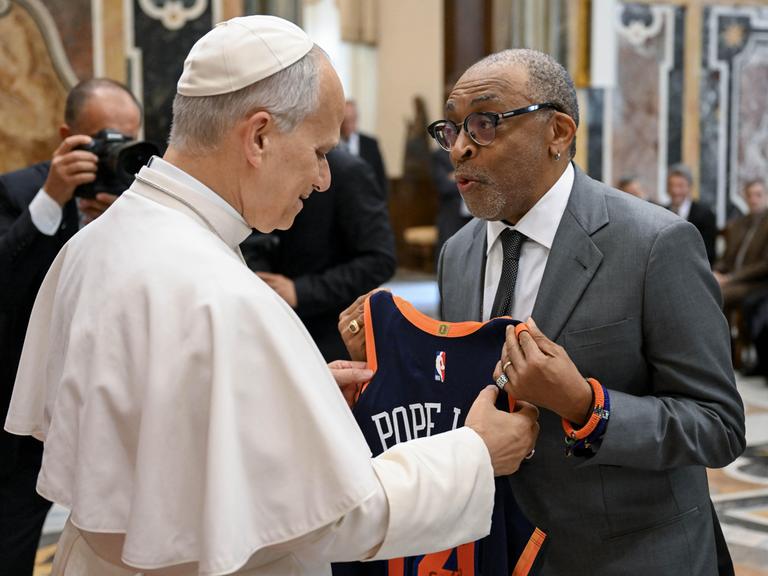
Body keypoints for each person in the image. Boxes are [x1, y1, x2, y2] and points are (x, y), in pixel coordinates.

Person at [4, 17, 540, 576]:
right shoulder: (227, 297)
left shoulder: (96, 241)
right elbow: (336, 516)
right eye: (318, 151)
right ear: (259, 136)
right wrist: (476, 453)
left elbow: (162, 428)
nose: (324, 178)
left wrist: (292, 391)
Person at [342, 48, 745, 575]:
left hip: (624, 555)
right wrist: (391, 367)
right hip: (496, 551)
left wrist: (586, 405)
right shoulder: (459, 254)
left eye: (485, 123)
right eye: (452, 129)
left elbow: (718, 425)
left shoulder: (655, 244)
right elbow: (465, 396)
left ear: (557, 131)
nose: (460, 148)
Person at [0, 78, 141, 576]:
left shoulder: (141, 197)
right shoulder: (19, 190)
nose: (116, 153)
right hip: (26, 419)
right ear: (67, 133)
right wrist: (52, 198)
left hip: (112, 407)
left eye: (129, 138)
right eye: (105, 139)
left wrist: (125, 224)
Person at [244, 147, 396, 361]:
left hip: (330, 335)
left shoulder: (349, 172)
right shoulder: (264, 165)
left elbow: (380, 260)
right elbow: (256, 238)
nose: (322, 179)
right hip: (270, 327)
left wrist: (301, 291)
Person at [714, 179, 768, 374]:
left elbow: (764, 265)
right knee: (707, 287)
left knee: (716, 293)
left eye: (758, 195)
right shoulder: (738, 224)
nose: (754, 200)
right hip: (732, 280)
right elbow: (726, 258)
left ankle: (725, 354)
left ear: (766, 196)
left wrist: (731, 278)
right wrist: (716, 271)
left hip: (757, 283)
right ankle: (721, 352)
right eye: (750, 195)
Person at [665, 163, 717, 265]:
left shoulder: (705, 214)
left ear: (689, 187)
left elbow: (709, 252)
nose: (675, 191)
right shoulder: (662, 211)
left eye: (680, 186)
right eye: (671, 185)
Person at [340, 99, 388, 200]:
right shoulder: (331, 145)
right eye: (345, 120)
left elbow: (380, 178)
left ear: (357, 119)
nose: (347, 125)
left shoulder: (370, 144)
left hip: (366, 202)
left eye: (351, 120)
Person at [432, 147, 471, 257]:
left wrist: (456, 176)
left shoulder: (473, 150)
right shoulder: (440, 155)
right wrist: (467, 176)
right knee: (449, 254)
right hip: (452, 215)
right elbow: (444, 186)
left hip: (476, 216)